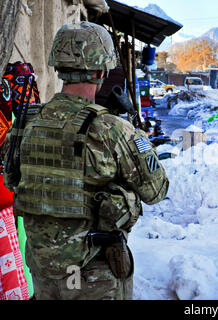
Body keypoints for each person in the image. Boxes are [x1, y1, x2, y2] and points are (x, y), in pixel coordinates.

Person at [2, 21, 169, 299]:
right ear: (101, 71)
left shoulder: (26, 123)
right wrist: (133, 131)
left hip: (44, 273)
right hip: (94, 278)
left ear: (58, 66)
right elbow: (156, 190)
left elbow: (12, 180)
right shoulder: (112, 129)